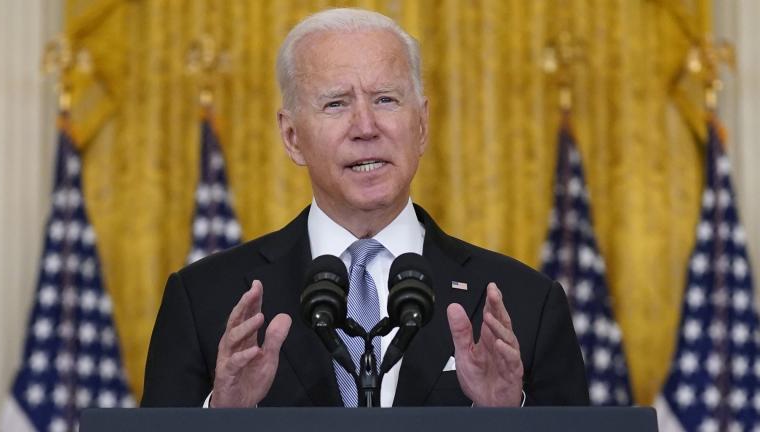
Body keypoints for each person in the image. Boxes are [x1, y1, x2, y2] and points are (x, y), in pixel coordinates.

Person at [140, 8, 589, 408]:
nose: (366, 127)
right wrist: (224, 419)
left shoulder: (527, 305)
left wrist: (505, 420)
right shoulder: (204, 302)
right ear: (292, 136)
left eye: (386, 99)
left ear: (422, 125)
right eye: (336, 103)